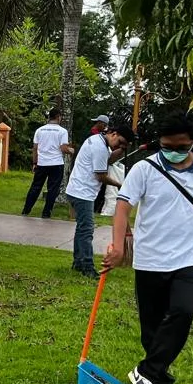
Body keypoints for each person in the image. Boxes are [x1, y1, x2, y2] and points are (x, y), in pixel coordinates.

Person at [103, 110, 193, 384]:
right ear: (159, 142)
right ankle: (158, 375)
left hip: (192, 257)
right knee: (152, 325)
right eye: (168, 147)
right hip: (151, 257)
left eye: (182, 147)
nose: (174, 152)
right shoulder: (144, 169)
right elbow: (123, 205)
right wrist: (119, 246)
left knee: (183, 312)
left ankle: (146, 372)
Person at [65, 119, 134, 278]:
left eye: (122, 145)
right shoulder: (100, 148)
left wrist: (121, 150)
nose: (118, 146)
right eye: (120, 142)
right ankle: (88, 267)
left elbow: (107, 161)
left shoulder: (97, 140)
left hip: (76, 190)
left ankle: (78, 263)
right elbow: (101, 175)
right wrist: (119, 184)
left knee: (82, 228)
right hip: (82, 194)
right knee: (87, 230)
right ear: (114, 133)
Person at [22, 107, 74, 218]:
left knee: (35, 187)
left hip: (41, 163)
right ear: (58, 117)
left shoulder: (39, 130)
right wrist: (71, 150)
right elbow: (63, 149)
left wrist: (34, 163)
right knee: (53, 189)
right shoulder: (62, 131)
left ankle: (26, 210)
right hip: (56, 163)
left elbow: (35, 148)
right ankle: (46, 213)